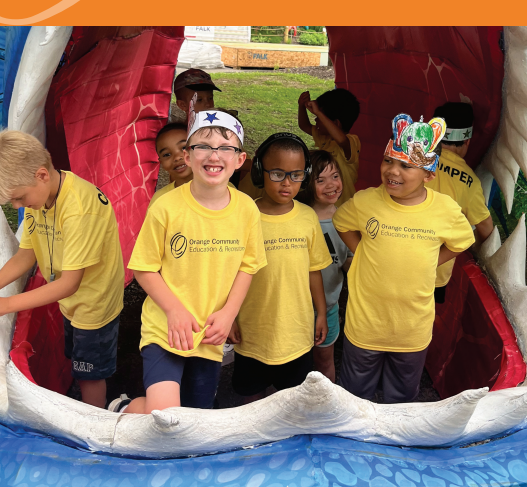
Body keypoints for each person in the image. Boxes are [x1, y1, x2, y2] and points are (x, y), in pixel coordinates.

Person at [118, 105, 265, 414]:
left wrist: (228, 315)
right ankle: (126, 410)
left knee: (195, 416)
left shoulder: (247, 209)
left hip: (209, 334)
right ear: (188, 156)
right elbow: (144, 268)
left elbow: (247, 268)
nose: (214, 156)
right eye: (203, 147)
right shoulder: (166, 207)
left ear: (240, 160)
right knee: (166, 416)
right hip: (165, 328)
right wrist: (174, 310)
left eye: (226, 148)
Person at [0, 130, 124, 408]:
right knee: (79, 361)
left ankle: (95, 421)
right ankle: (83, 399)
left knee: (91, 375)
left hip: (94, 307)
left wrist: (5, 305)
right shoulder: (38, 199)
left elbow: (69, 284)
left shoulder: (79, 209)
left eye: (19, 198)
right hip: (71, 304)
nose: (18, 206)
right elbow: (26, 255)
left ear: (41, 175)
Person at [333, 113, 475, 404]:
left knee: (401, 398)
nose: (392, 171)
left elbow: (463, 241)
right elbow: (342, 222)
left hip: (411, 330)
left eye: (406, 165)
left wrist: (431, 259)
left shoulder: (445, 209)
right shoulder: (365, 200)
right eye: (388, 160)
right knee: (354, 397)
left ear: (429, 174)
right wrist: (362, 251)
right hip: (364, 326)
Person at [231, 133, 332, 402]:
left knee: (294, 405)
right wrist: (228, 317)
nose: (287, 183)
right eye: (277, 173)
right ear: (258, 172)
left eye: (296, 175)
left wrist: (320, 312)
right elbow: (229, 274)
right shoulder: (244, 217)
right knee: (251, 404)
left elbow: (314, 270)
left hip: (296, 334)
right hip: (252, 334)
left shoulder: (308, 217)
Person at [426, 102, 494, 302]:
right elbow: (485, 226)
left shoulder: (413, 162)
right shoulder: (470, 181)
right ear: (467, 142)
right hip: (434, 272)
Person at [297, 150, 352, 382]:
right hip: (294, 309)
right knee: (294, 363)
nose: (331, 185)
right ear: (307, 183)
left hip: (328, 307)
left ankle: (324, 409)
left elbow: (349, 261)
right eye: (320, 180)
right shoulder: (297, 218)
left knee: (324, 361)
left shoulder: (347, 220)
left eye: (335, 176)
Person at [298, 87, 361, 205]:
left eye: (319, 117)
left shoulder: (351, 141)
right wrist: (301, 106)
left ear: (335, 123)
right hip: (324, 204)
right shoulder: (324, 138)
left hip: (343, 207)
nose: (316, 119)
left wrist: (319, 112)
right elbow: (304, 125)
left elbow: (342, 140)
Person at [149, 121, 192, 208]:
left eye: (184, 147)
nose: (177, 157)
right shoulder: (160, 201)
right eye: (167, 154)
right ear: (161, 162)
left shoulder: (223, 190)